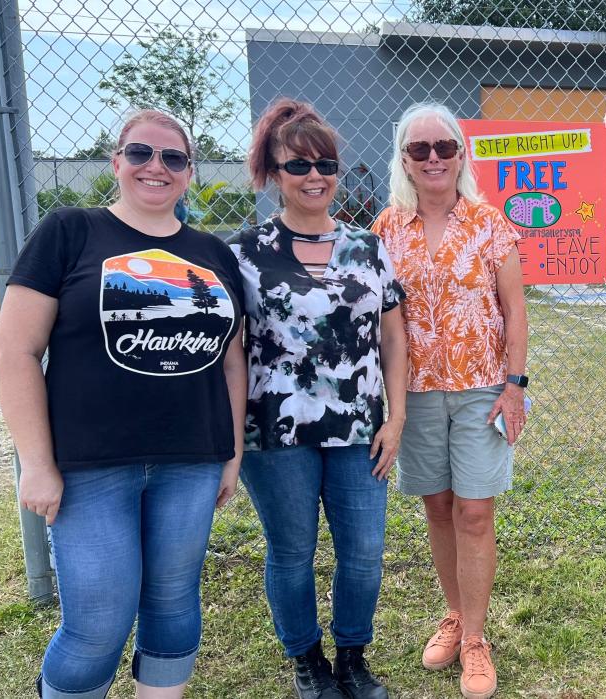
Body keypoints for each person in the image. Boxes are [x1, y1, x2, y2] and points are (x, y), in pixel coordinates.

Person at [0, 109, 246, 699]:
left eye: (173, 158)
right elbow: (14, 350)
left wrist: (229, 452)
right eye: (140, 153)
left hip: (191, 458)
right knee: (97, 622)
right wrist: (35, 462)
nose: (155, 167)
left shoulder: (213, 252)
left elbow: (234, 360)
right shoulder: (70, 232)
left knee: (173, 599)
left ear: (188, 172)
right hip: (89, 464)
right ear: (116, 163)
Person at [232, 98, 406, 699]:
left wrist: (397, 417)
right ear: (273, 173)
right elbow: (231, 351)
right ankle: (307, 661)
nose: (314, 177)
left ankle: (353, 656)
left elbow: (392, 337)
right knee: (292, 550)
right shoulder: (244, 253)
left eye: (325, 165)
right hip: (275, 432)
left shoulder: (369, 247)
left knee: (363, 549)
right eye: (298, 165)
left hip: (361, 426)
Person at [372, 102, 529, 699]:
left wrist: (515, 387)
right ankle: (454, 613)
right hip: (415, 393)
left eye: (444, 147)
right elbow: (384, 322)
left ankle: (476, 641)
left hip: (482, 391)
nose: (433, 158)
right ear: (405, 161)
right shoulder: (386, 230)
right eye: (420, 150)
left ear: (461, 154)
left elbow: (515, 311)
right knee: (437, 506)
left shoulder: (490, 223)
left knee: (474, 511)